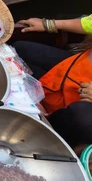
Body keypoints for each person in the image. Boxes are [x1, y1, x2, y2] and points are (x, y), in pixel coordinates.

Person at [15, 15, 92, 154]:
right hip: (79, 66)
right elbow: (88, 23)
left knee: (81, 115)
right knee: (20, 50)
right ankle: (37, 101)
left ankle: (45, 128)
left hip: (83, 108)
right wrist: (48, 24)